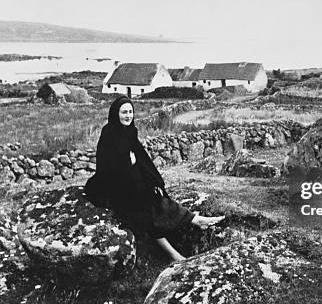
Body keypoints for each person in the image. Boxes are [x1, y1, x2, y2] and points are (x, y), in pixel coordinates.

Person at [85, 95, 224, 262]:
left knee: (156, 195)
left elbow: (143, 161)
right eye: (124, 112)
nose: (128, 115)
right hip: (114, 189)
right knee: (144, 211)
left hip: (132, 186)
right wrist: (125, 163)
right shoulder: (109, 134)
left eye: (130, 112)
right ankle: (175, 252)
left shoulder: (130, 131)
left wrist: (153, 181)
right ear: (116, 113)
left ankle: (194, 220)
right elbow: (105, 169)